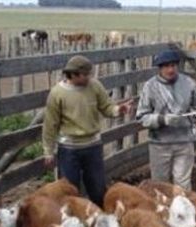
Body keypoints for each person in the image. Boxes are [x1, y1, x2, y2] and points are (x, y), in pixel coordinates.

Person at [42, 55, 132, 207]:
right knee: (69, 190)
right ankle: (73, 225)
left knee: (97, 189)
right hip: (69, 149)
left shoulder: (94, 86)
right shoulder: (57, 93)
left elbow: (106, 107)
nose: (89, 77)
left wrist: (118, 109)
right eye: (86, 74)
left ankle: (101, 218)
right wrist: (48, 151)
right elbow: (50, 124)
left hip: (93, 146)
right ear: (74, 74)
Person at [136, 49, 196, 190]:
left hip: (184, 142)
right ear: (160, 68)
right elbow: (142, 117)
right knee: (160, 185)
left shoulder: (188, 83)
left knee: (183, 184)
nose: (171, 69)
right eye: (167, 66)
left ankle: (184, 210)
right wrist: (163, 119)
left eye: (173, 65)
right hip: (159, 144)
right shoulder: (150, 87)